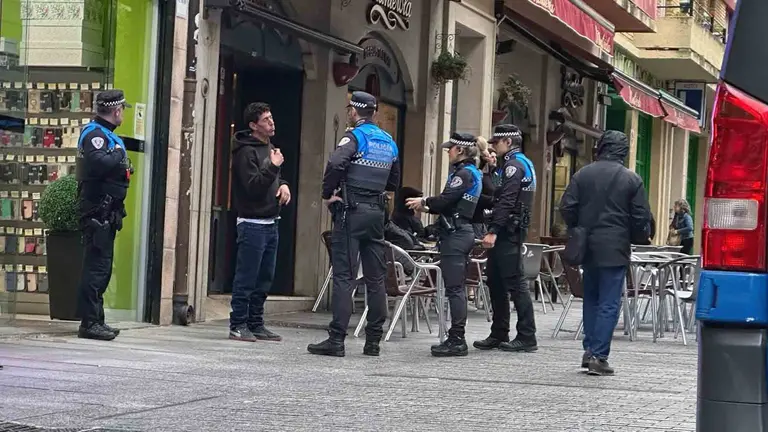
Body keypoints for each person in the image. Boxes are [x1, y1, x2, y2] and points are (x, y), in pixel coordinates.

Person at [307, 91, 400, 358]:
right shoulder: (389, 141)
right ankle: (373, 341)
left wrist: (327, 194)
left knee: (345, 276)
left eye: (349, 109)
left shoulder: (354, 136)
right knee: (376, 278)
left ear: (354, 111)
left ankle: (336, 340)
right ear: (374, 112)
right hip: (376, 214)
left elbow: (336, 162)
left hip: (352, 211)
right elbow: (394, 181)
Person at [559, 130, 650, 376]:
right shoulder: (631, 179)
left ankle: (589, 350)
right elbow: (641, 216)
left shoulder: (582, 174)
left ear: (601, 147)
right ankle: (599, 355)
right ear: (623, 151)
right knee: (609, 302)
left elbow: (566, 206)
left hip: (588, 245)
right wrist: (638, 236)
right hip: (615, 247)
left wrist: (578, 228)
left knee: (591, 299)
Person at [405, 132, 481, 357]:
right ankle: (455, 337)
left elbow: (446, 200)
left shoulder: (464, 174)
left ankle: (457, 339)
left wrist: (425, 202)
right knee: (454, 287)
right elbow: (449, 206)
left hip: (457, 235)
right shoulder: (470, 172)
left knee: (455, 288)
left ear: (461, 150)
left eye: (451, 148)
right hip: (457, 232)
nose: (448, 151)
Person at [228, 102, 290, 343]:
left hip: (271, 220)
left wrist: (283, 184)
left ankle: (256, 322)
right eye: (266, 120)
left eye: (271, 117)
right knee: (247, 276)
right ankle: (238, 324)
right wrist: (273, 168)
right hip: (252, 222)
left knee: (265, 277)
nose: (271, 122)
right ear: (254, 126)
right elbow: (253, 187)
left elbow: (275, 177)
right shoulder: (245, 152)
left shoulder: (269, 146)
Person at [474, 124, 539, 353]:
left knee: (515, 283)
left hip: (507, 232)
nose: (493, 146)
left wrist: (493, 230)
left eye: (496, 143)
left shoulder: (514, 166)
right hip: (510, 230)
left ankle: (527, 335)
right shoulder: (521, 163)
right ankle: (499, 332)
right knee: (496, 281)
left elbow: (507, 201)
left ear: (508, 142)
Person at [75, 90, 134, 341]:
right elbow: (98, 164)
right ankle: (89, 323)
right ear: (117, 111)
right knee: (96, 268)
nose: (123, 114)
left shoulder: (105, 134)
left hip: (106, 211)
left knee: (102, 268)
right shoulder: (96, 135)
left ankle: (97, 320)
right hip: (97, 211)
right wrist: (120, 156)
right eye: (123, 110)